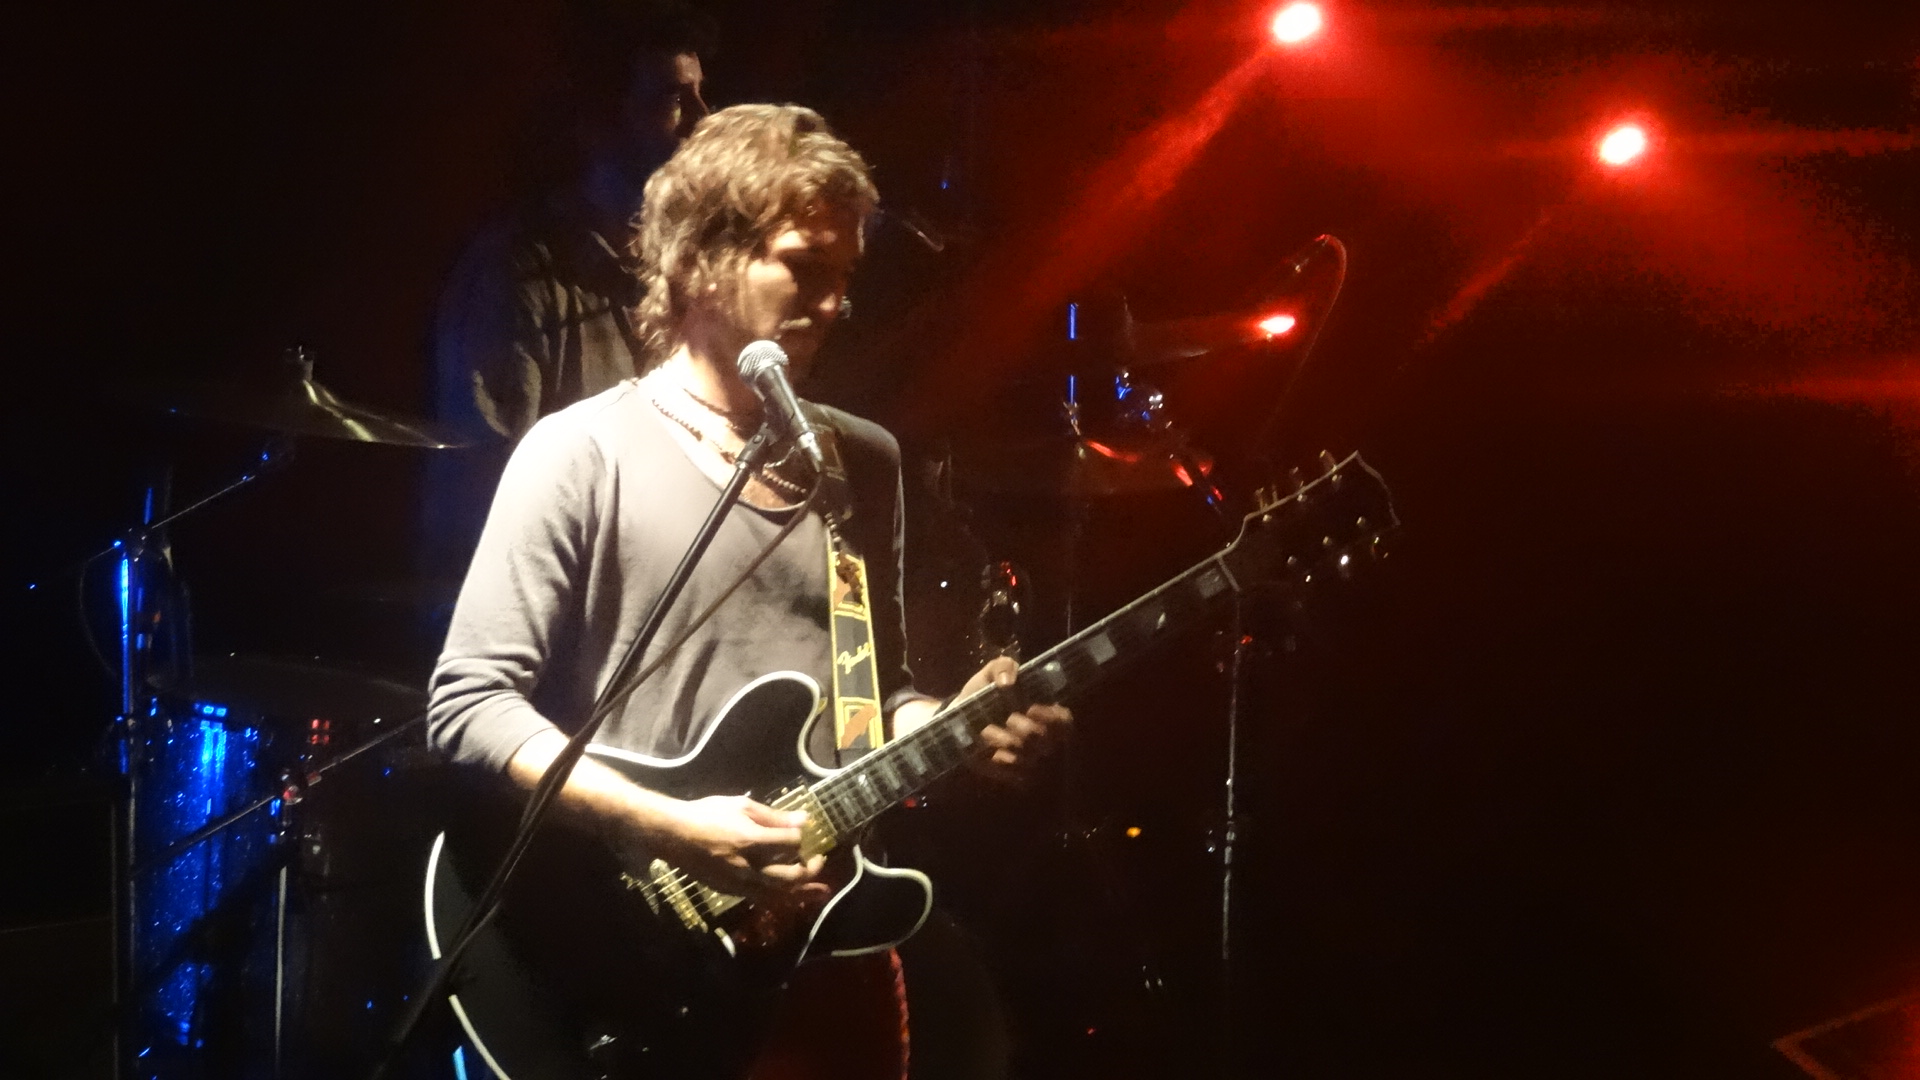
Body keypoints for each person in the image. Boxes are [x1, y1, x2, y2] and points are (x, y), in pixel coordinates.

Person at [427, 103, 1071, 1079]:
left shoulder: (860, 461)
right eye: (805, 266)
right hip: (609, 935)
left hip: (821, 952)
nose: (836, 300)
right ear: (699, 262)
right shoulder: (579, 452)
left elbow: (865, 703)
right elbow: (468, 705)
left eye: (845, 274)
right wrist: (663, 824)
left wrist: (951, 724)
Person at [418, 1, 714, 580]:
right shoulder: (514, 276)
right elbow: (487, 503)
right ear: (602, 118)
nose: (705, 119)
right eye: (673, 99)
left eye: (703, 93)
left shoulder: (687, 273)